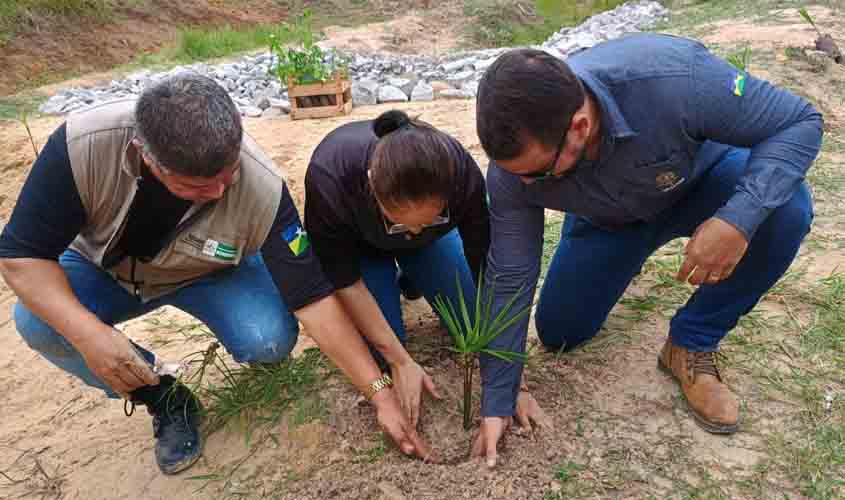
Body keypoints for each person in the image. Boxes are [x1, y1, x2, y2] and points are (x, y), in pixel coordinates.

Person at [0, 74, 431, 475]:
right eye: (199, 187)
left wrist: (378, 392)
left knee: (268, 338)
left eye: (229, 176)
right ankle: (163, 397)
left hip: (209, 271)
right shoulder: (84, 145)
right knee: (39, 323)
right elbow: (22, 256)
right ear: (147, 157)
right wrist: (89, 335)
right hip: (105, 269)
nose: (221, 193)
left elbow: (312, 296)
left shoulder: (260, 184)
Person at [473, 33, 822, 463]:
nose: (523, 185)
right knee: (562, 333)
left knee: (785, 209)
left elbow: (799, 122)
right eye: (513, 174)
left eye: (539, 173)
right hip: (608, 222)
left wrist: (738, 219)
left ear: (579, 127)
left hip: (700, 185)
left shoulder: (673, 76)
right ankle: (621, 263)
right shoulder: (515, 170)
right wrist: (498, 394)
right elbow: (510, 272)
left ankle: (692, 341)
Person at [304, 110, 493, 427]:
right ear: (371, 189)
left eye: (431, 219)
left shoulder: (458, 170)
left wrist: (506, 367)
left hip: (431, 247)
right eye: (399, 223)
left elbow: (485, 262)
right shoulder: (331, 177)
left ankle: (414, 273)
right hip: (362, 253)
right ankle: (395, 276)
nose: (414, 230)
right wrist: (399, 360)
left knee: (474, 325)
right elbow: (345, 280)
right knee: (381, 358)